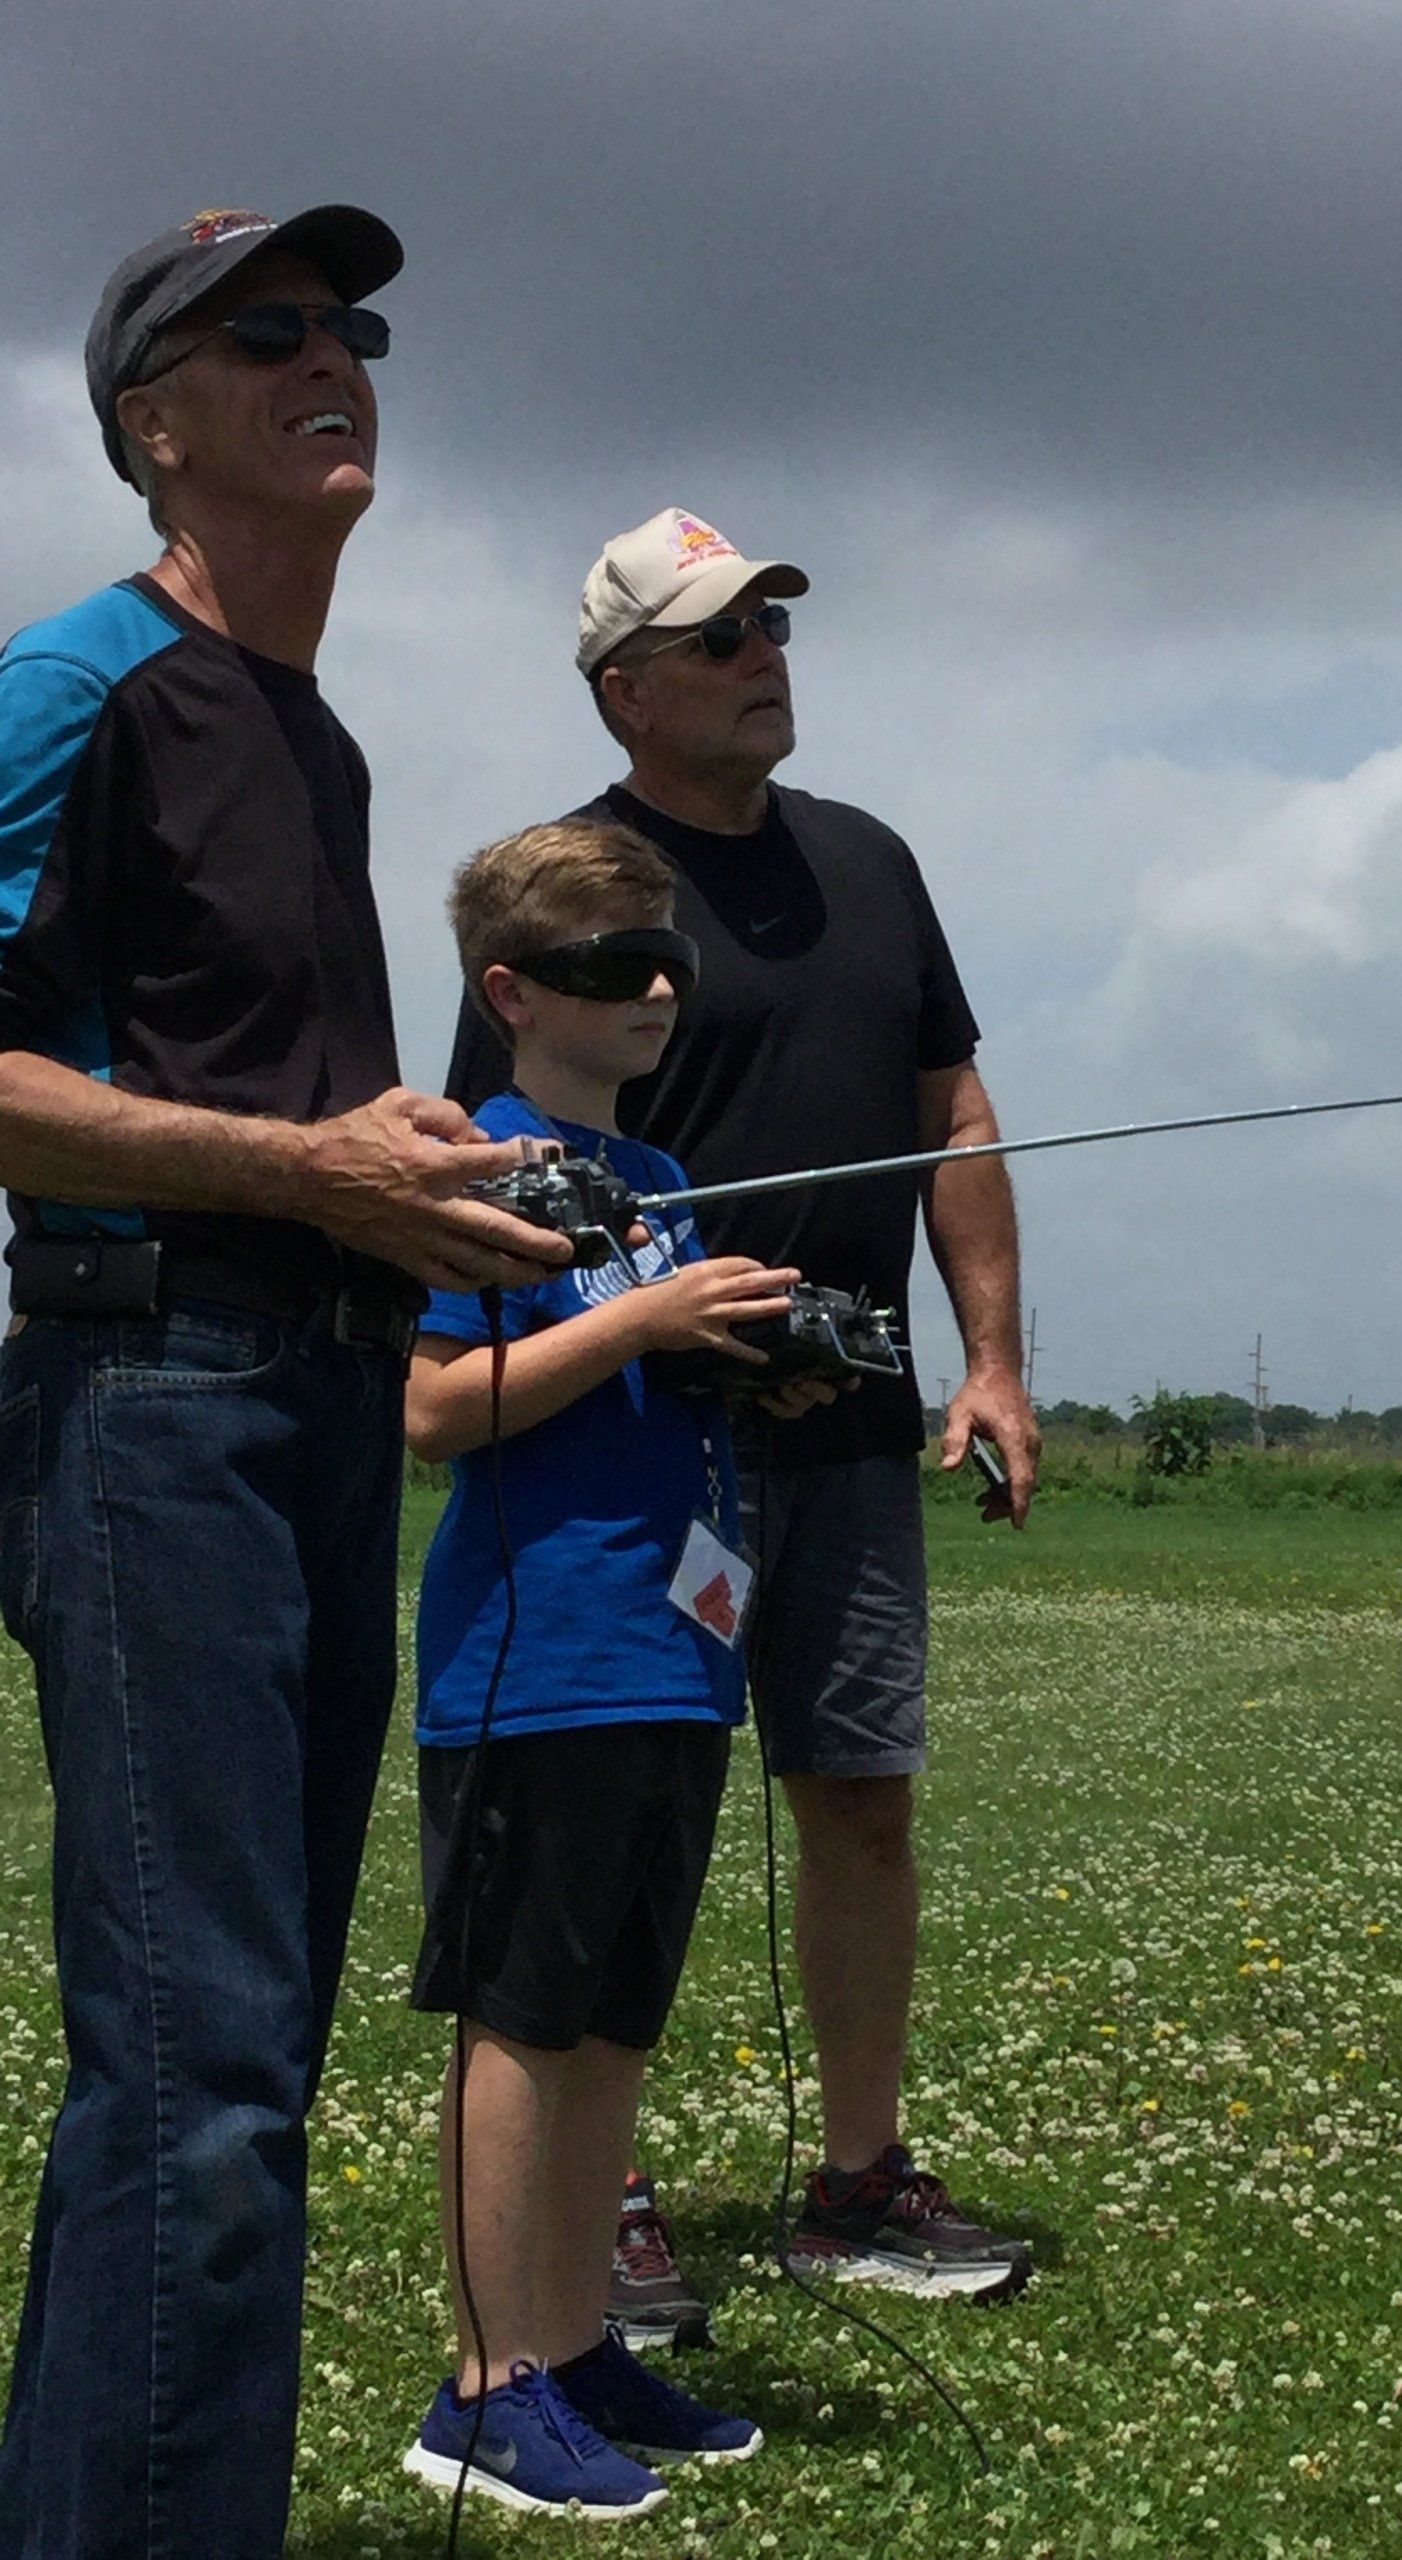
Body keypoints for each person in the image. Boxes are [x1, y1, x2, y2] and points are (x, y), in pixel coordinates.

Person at [0, 207, 567, 2560]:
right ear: (155, 421)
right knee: (203, 2078)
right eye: (270, 330)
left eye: (357, 325)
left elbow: (266, 1107)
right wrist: (302, 1168)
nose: (336, 355)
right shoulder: (78, 682)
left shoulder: (311, 737)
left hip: (315, 1407)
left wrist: (399, 1177)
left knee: (229, 2073)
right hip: (156, 1404)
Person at [447, 506, 1044, 2315]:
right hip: (644, 1450)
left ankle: (858, 2181)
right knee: (632, 1805)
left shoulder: (872, 862)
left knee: (860, 1793)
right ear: (624, 689)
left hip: (848, 1427)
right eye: (718, 638)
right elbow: (502, 1179)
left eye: (773, 626)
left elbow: (953, 1113)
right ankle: (599, 2205)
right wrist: (664, 1329)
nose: (763, 658)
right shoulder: (571, 894)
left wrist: (991, 1360)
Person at [401, 817, 783, 2517]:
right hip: (538, 1655)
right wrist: (640, 1320)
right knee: (524, 2018)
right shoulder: (475, 1161)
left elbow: (632, 1374)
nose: (654, 992)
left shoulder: (657, 1176)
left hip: (673, 1652)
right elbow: (433, 1410)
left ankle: (571, 2342)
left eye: (668, 962)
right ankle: (483, 2388)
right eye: (609, 967)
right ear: (510, 993)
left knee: (617, 2020)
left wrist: (746, 1359)